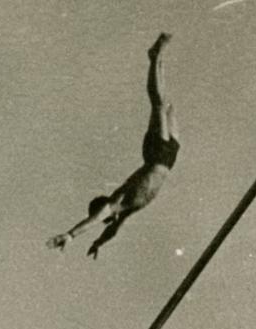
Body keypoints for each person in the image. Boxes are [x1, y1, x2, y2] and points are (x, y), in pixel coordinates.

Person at [46, 33, 179, 259]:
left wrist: (70, 235)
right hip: (168, 158)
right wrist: (99, 242)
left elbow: (95, 220)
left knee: (158, 104)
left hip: (156, 156)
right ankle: (159, 63)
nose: (110, 220)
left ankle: (155, 57)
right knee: (166, 105)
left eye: (107, 217)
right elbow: (112, 230)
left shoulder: (117, 202)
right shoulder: (125, 213)